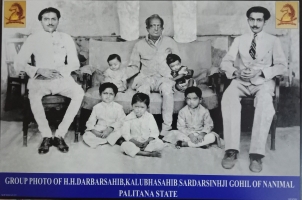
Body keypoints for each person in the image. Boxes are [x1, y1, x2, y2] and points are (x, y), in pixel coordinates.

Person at [220, 6, 287, 172]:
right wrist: (237, 71)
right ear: (248, 20)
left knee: (265, 101)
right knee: (228, 97)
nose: (255, 23)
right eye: (252, 19)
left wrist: (261, 72)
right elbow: (225, 62)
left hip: (262, 82)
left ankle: (256, 154)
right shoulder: (239, 40)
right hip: (241, 81)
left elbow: (281, 65)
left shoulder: (273, 41)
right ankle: (231, 150)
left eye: (259, 20)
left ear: (264, 21)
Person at [14, 7, 84, 154]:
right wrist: (38, 70)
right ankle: (46, 135)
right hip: (40, 79)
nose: (50, 22)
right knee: (34, 95)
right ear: (41, 21)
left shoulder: (65, 37)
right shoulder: (33, 38)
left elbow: (75, 63)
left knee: (79, 93)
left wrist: (62, 72)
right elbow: (19, 62)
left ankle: (60, 135)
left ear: (58, 21)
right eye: (46, 19)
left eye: (53, 19)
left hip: (61, 78)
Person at [127, 14, 180, 135]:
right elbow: (134, 66)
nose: (156, 28)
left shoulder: (170, 42)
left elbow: (178, 63)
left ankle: (166, 128)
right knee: (143, 92)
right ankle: (145, 126)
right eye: (152, 26)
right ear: (147, 28)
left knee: (167, 90)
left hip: (165, 78)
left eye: (158, 26)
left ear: (162, 28)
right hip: (147, 77)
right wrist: (120, 79)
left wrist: (181, 78)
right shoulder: (139, 45)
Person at [121, 93, 166, 158]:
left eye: (142, 107)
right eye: (136, 106)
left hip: (147, 141)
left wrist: (147, 142)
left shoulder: (150, 117)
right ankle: (146, 153)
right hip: (134, 142)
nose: (139, 109)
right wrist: (136, 143)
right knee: (124, 145)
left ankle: (138, 151)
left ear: (147, 108)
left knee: (160, 143)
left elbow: (154, 132)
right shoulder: (128, 118)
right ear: (132, 106)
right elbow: (125, 134)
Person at [82, 83, 126, 148]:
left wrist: (110, 128)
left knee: (122, 131)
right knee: (87, 135)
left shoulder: (118, 107)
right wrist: (96, 133)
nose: (108, 96)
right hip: (100, 128)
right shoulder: (96, 107)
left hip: (113, 129)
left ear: (115, 96)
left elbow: (122, 120)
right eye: (105, 93)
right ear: (100, 94)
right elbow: (90, 122)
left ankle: (109, 139)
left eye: (111, 94)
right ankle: (109, 140)